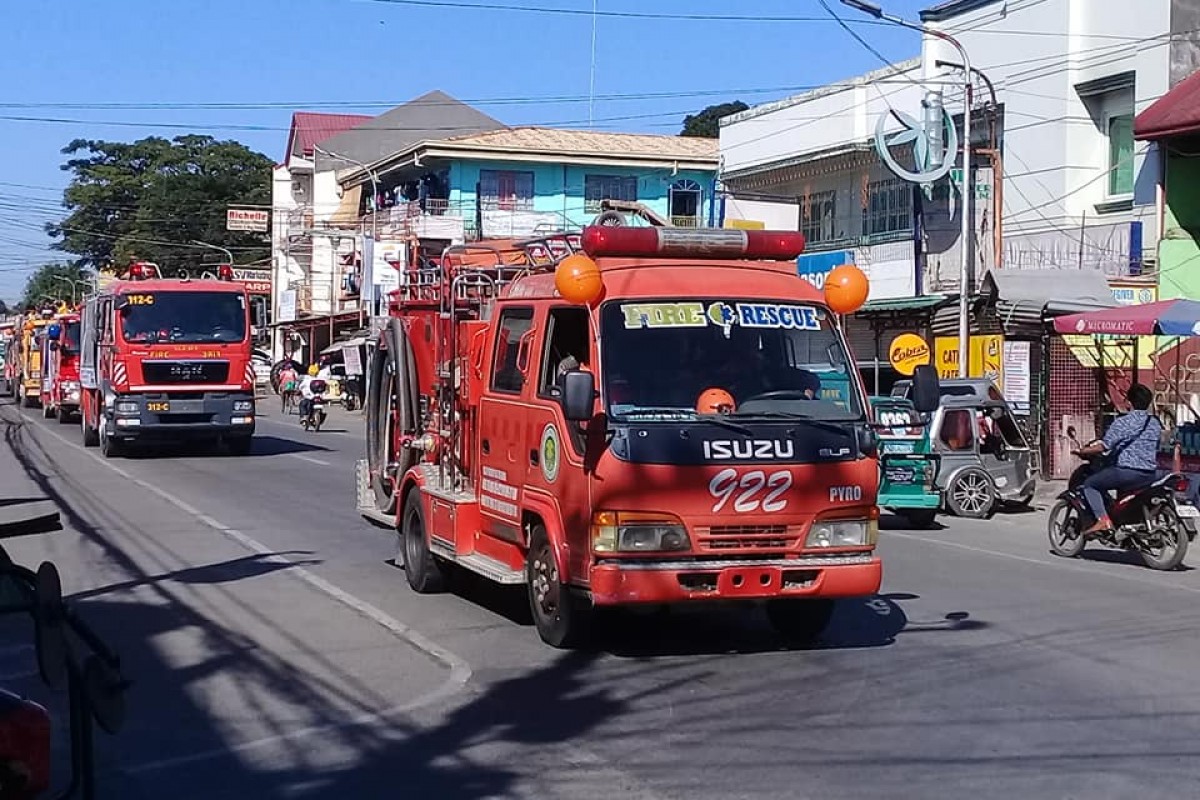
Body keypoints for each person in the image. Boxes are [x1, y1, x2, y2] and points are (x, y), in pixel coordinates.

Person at [1074, 383, 1162, 534]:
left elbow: (1104, 446)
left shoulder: (1123, 422)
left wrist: (1083, 450)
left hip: (1126, 472)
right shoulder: (1154, 423)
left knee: (1090, 484)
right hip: (1149, 474)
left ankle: (1103, 520)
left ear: (1129, 402)